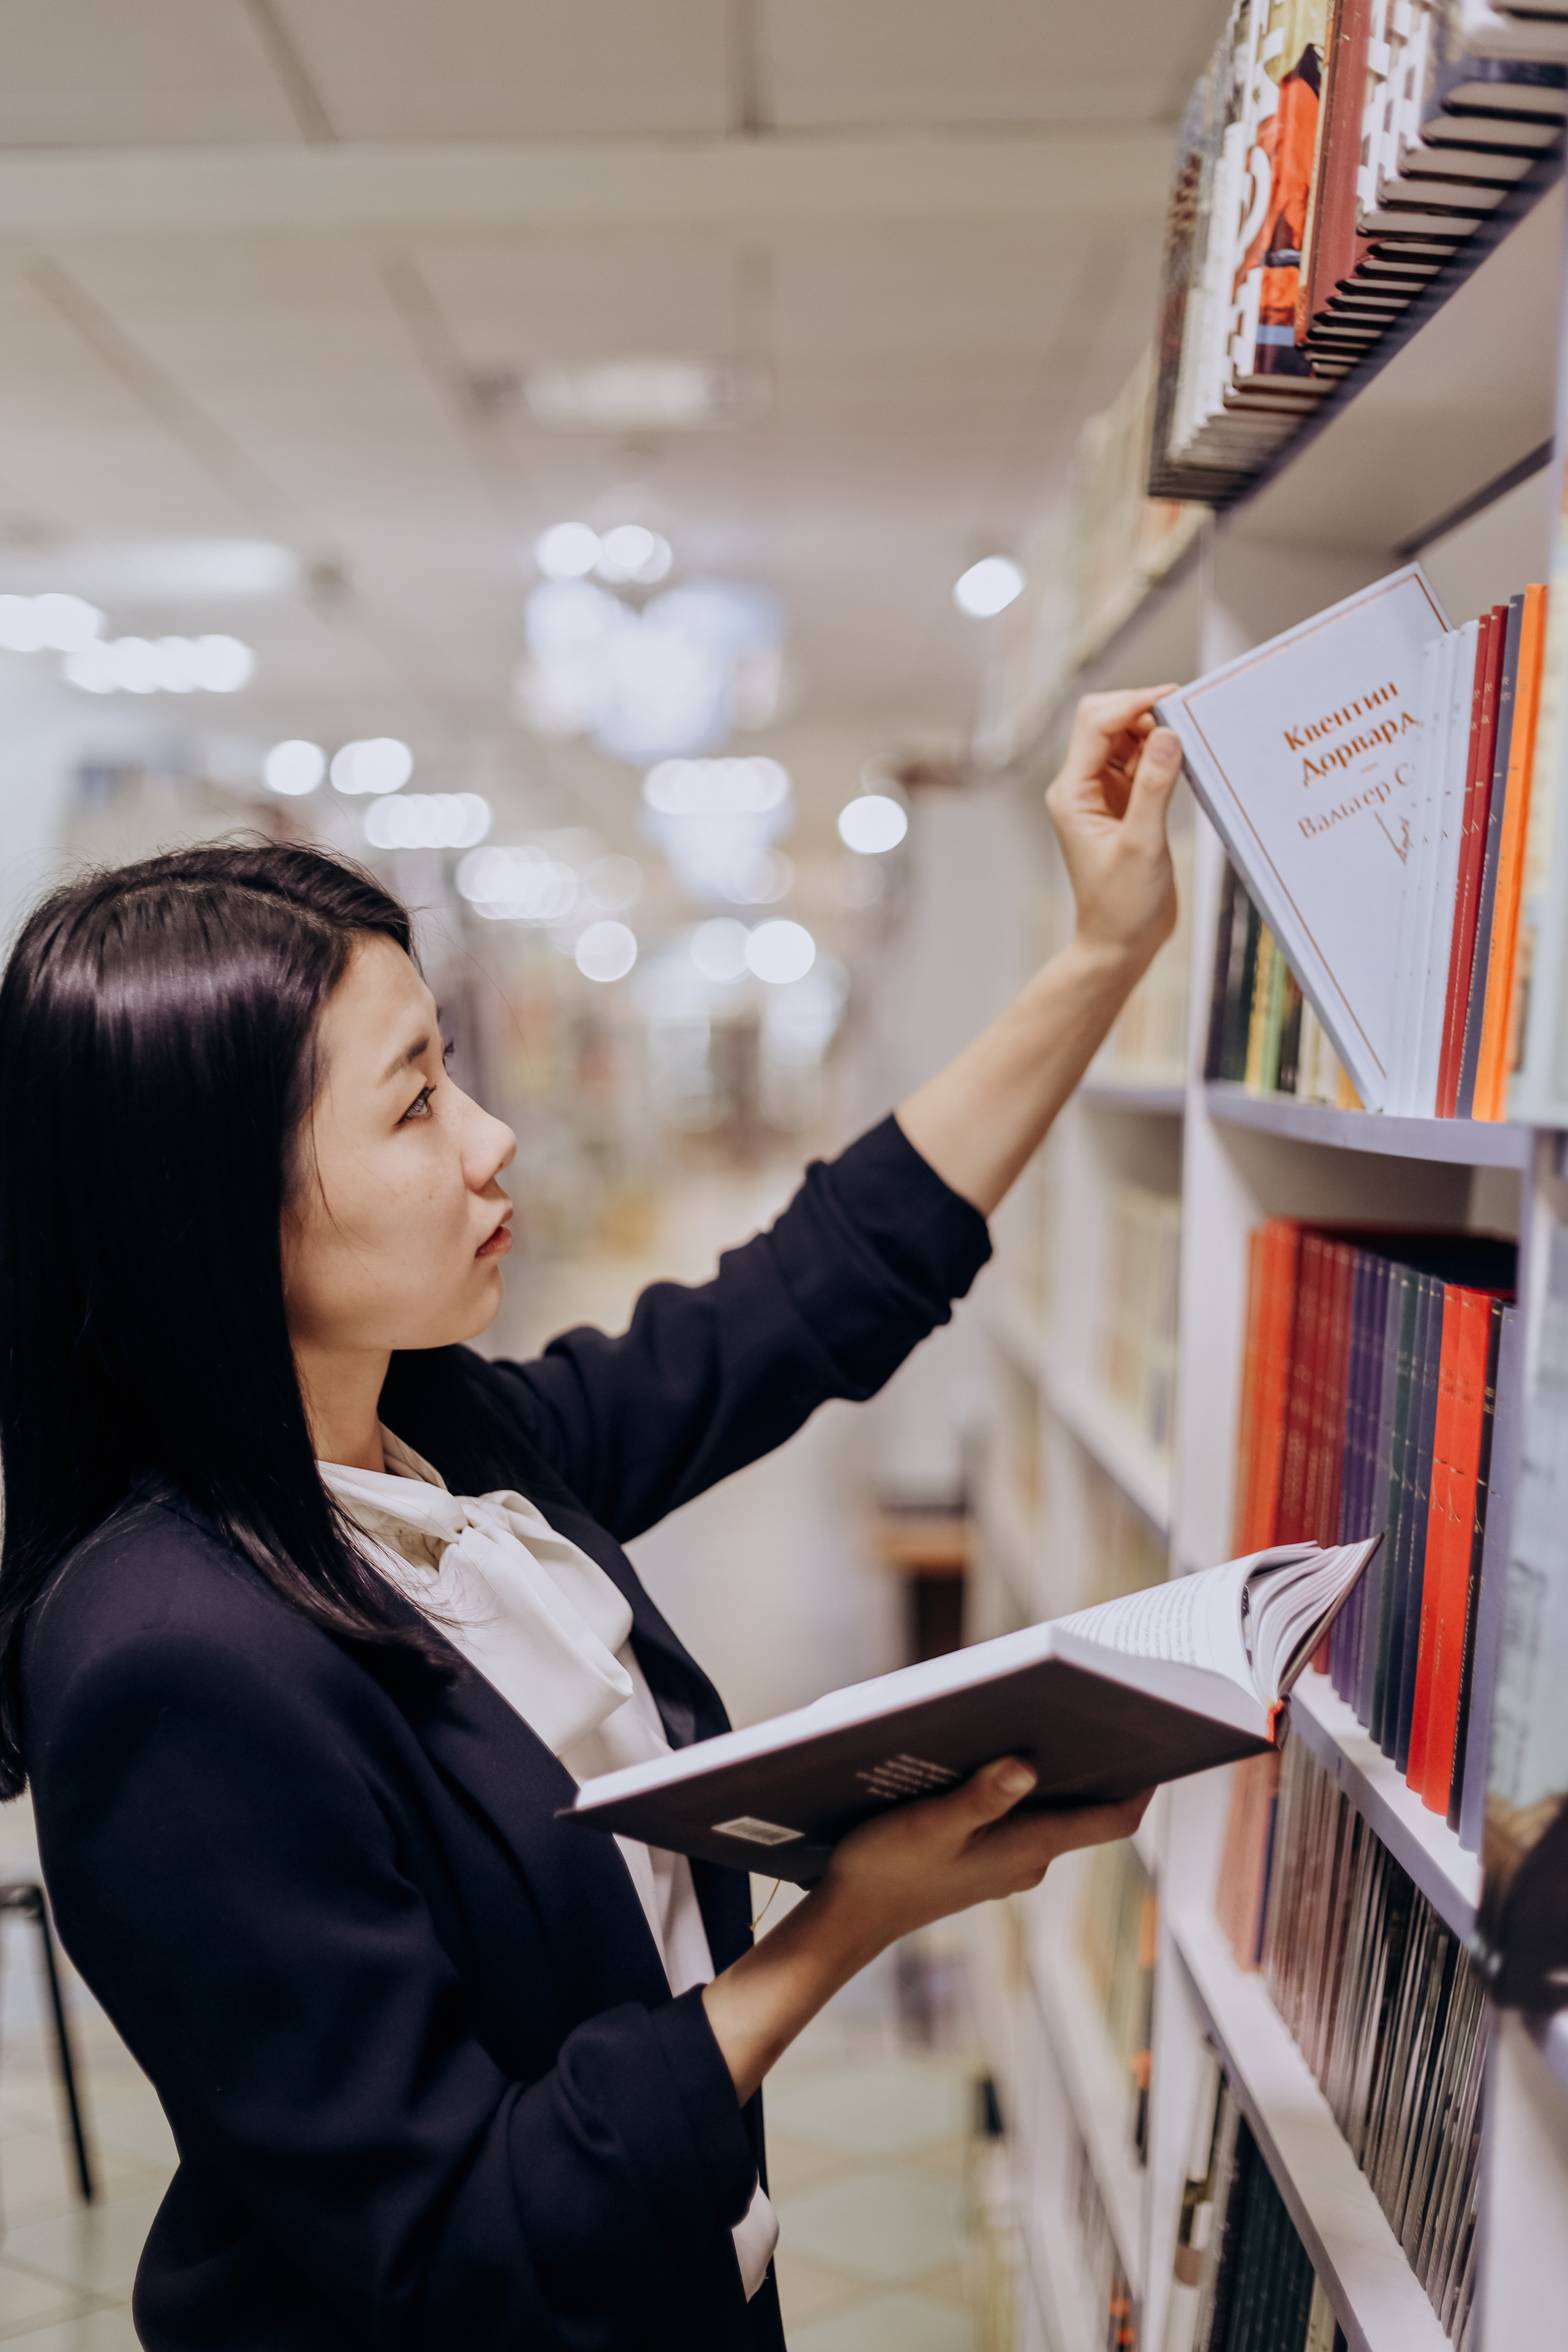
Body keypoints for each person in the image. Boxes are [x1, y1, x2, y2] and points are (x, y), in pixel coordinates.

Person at [0, 687, 1181, 2350]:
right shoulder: (167, 1663)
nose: (494, 1142)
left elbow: (803, 1297)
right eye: (416, 1102)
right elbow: (449, 2243)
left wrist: (1105, 955)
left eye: (454, 1070)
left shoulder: (440, 1437)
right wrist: (851, 1923)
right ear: (214, 1211)